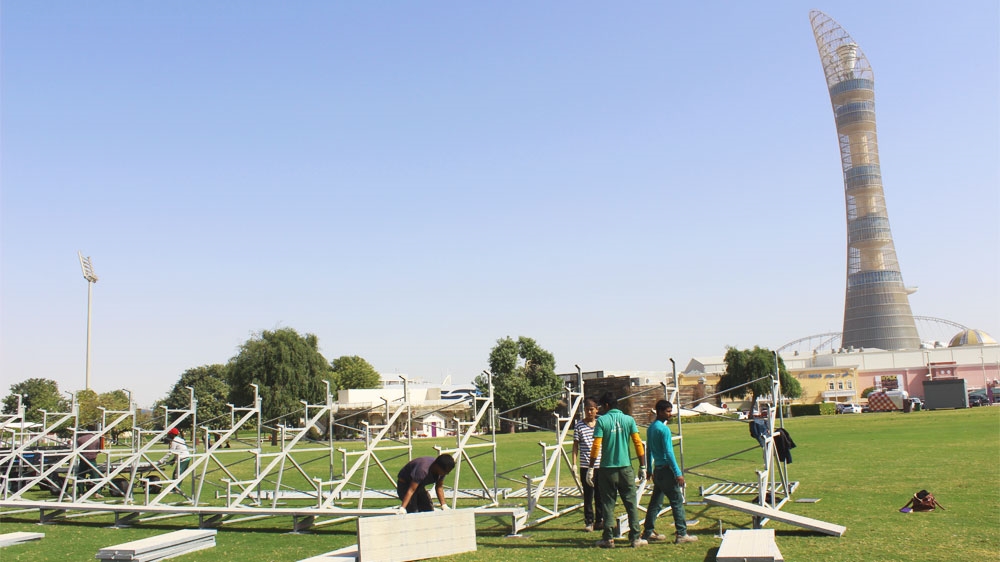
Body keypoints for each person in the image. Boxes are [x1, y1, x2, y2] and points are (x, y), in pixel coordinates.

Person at [587, 392, 647, 548]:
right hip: (626, 468)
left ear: (607, 406)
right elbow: (638, 444)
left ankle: (608, 538)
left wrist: (591, 467)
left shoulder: (602, 421)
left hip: (607, 469)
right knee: (631, 503)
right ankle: (635, 538)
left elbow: (596, 446)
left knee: (608, 504)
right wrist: (642, 466)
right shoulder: (629, 420)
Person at [642, 400, 698, 544]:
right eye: (667, 411)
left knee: (655, 503)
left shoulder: (651, 428)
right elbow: (669, 453)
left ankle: (647, 533)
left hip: (657, 472)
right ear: (660, 412)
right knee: (676, 501)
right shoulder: (663, 429)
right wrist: (678, 473)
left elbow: (648, 450)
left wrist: (649, 469)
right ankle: (682, 534)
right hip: (666, 471)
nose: (670, 414)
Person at [572, 397, 603, 532]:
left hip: (600, 465)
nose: (589, 412)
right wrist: (574, 464)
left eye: (592, 410)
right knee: (588, 495)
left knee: (600, 494)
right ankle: (589, 521)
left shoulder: (601, 424)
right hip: (586, 465)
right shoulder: (579, 425)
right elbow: (575, 446)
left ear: (596, 410)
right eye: (587, 410)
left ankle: (600, 520)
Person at [75, 428, 103, 496]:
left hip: (83, 459)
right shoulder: (96, 439)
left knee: (81, 475)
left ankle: (81, 492)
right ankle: (97, 492)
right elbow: (98, 449)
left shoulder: (80, 439)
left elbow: (77, 449)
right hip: (92, 459)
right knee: (95, 475)